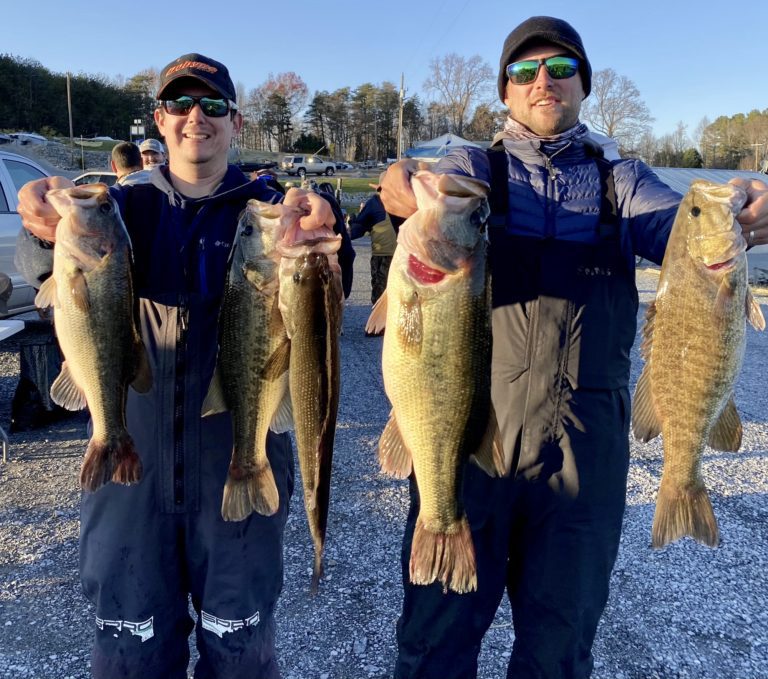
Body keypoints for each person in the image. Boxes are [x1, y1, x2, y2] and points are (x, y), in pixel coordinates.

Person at [379, 16, 768, 679]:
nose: (542, 81)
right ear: (505, 91)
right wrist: (399, 179)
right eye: (524, 71)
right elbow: (423, 188)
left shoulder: (622, 180)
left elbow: (684, 227)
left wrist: (747, 214)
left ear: (583, 85)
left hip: (583, 455)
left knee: (559, 652)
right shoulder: (477, 168)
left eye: (560, 68)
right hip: (475, 438)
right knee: (434, 645)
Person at [15, 52, 352, 679]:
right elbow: (52, 253)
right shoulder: (125, 205)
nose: (196, 116)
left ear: (237, 123)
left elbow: (325, 262)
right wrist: (39, 211)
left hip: (233, 456)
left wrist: (327, 227)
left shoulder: (269, 210)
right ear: (159, 121)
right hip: (132, 468)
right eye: (180, 104)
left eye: (213, 106)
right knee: (129, 652)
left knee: (241, 651)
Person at [347, 188, 396, 318]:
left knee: (380, 288)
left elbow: (359, 228)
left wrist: (350, 226)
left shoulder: (374, 203)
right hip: (397, 254)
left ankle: (379, 322)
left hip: (383, 254)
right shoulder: (405, 200)